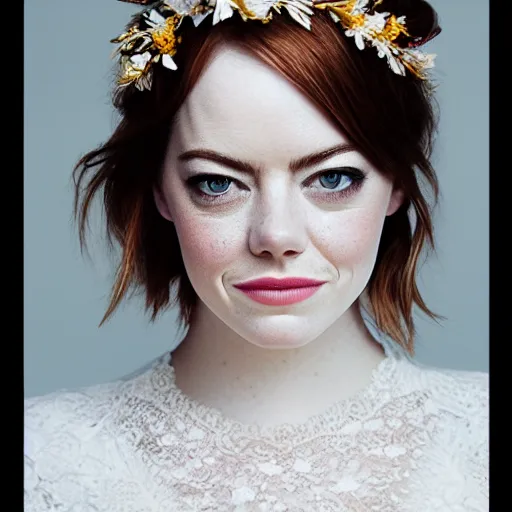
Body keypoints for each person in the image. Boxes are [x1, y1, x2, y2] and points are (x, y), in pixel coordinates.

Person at [24, 0, 489, 510]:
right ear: (161, 190)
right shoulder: (42, 459)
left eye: (332, 178)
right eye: (217, 183)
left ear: (396, 184)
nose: (276, 234)